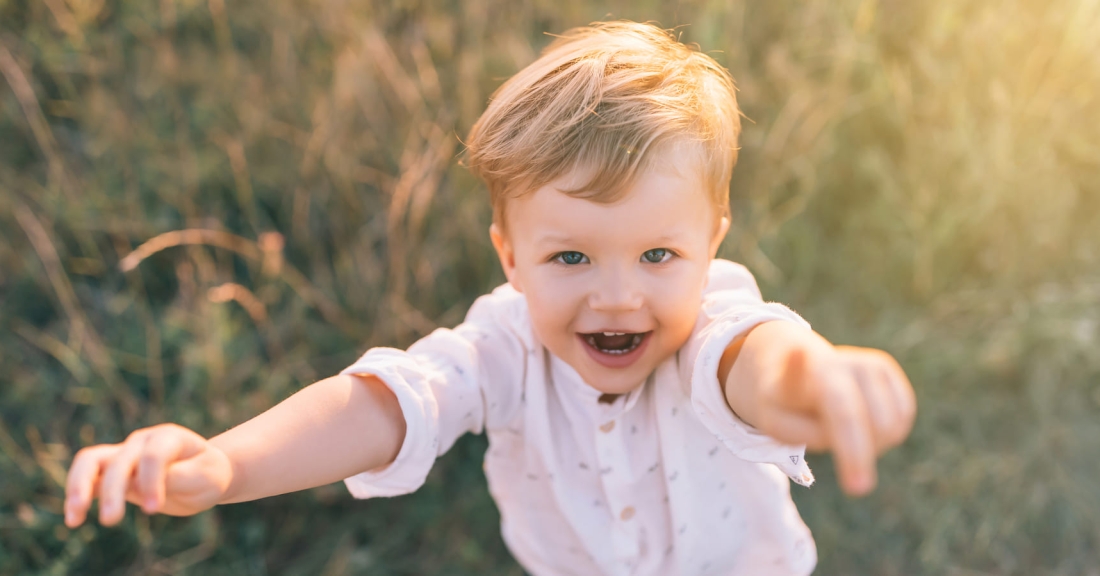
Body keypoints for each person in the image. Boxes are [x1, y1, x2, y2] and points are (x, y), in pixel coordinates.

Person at [63, 21, 915, 575]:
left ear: (713, 240)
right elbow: (386, 406)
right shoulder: (502, 347)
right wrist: (225, 465)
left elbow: (757, 361)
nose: (617, 298)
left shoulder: (710, 325)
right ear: (509, 256)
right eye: (571, 256)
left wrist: (817, 378)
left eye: (659, 254)